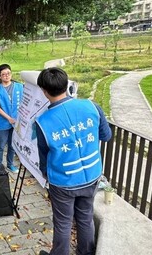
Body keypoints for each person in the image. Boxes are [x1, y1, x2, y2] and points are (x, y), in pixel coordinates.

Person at [35, 67, 112, 255]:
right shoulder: (91, 106)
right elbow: (106, 135)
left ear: (44, 91)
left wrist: (46, 175)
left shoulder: (43, 122)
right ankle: (85, 252)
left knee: (63, 223)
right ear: (66, 84)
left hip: (63, 181)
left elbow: (44, 157)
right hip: (92, 175)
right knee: (85, 217)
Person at [0, 64, 23, 173]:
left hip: (16, 122)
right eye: (3, 74)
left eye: (8, 73)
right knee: (1, 145)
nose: (6, 76)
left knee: (12, 144)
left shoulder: (19, 87)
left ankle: (10, 164)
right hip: (2, 122)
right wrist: (8, 118)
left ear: (11, 73)